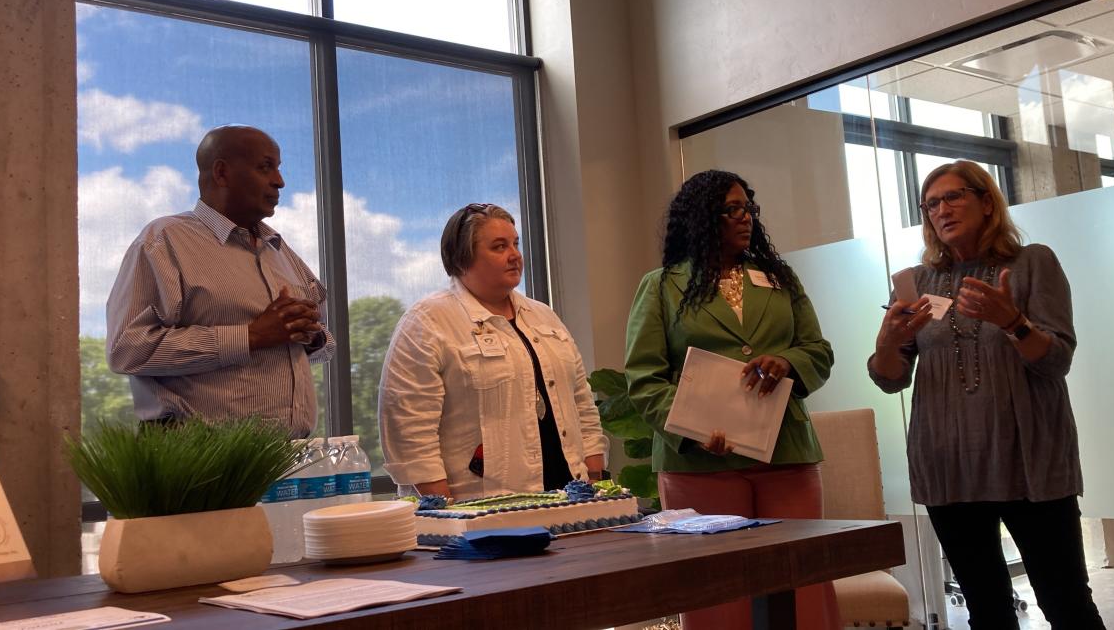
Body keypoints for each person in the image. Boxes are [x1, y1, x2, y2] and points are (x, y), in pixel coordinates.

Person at [868, 160, 1104, 629]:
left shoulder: (1032, 262)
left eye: (954, 196)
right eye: (931, 203)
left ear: (986, 201)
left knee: (1066, 604)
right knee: (986, 609)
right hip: (948, 465)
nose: (942, 209)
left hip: (1028, 463)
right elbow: (891, 378)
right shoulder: (919, 282)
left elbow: (1056, 361)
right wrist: (887, 341)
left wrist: (1013, 322)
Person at [625, 170, 840, 630]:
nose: (746, 218)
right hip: (700, 463)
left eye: (750, 208)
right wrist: (693, 429)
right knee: (717, 594)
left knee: (801, 583)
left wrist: (788, 362)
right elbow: (644, 378)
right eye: (733, 210)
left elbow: (819, 353)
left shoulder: (779, 279)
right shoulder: (662, 285)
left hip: (785, 454)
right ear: (703, 218)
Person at [106, 125, 335, 438]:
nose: (279, 181)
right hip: (195, 461)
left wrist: (311, 334)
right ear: (222, 173)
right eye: (265, 167)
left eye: (279, 169)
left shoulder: (280, 251)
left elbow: (323, 342)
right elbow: (126, 350)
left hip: (286, 460)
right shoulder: (164, 241)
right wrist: (250, 336)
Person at [378, 203, 608, 500]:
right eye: (499, 247)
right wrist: (444, 512)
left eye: (515, 244)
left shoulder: (544, 317)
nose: (514, 255)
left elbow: (582, 405)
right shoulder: (428, 322)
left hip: (571, 500)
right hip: (481, 508)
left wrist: (595, 484)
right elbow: (410, 431)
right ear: (462, 258)